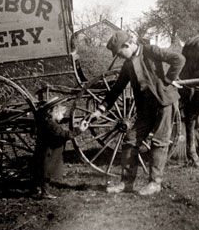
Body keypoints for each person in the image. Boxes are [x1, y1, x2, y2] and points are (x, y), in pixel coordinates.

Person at [92, 30, 185, 196]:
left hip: (164, 103)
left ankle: (154, 183)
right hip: (146, 107)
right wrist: (100, 110)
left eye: (120, 52)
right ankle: (126, 183)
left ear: (127, 45)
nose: (119, 56)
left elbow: (179, 59)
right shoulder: (128, 65)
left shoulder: (151, 51)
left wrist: (168, 81)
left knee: (159, 142)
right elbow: (116, 89)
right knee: (130, 140)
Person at [31, 97, 88, 199]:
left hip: (43, 152)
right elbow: (63, 135)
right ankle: (44, 192)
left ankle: (36, 188)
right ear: (54, 112)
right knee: (46, 173)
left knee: (40, 171)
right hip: (48, 153)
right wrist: (79, 130)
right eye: (61, 114)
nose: (62, 117)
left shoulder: (46, 122)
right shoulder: (51, 125)